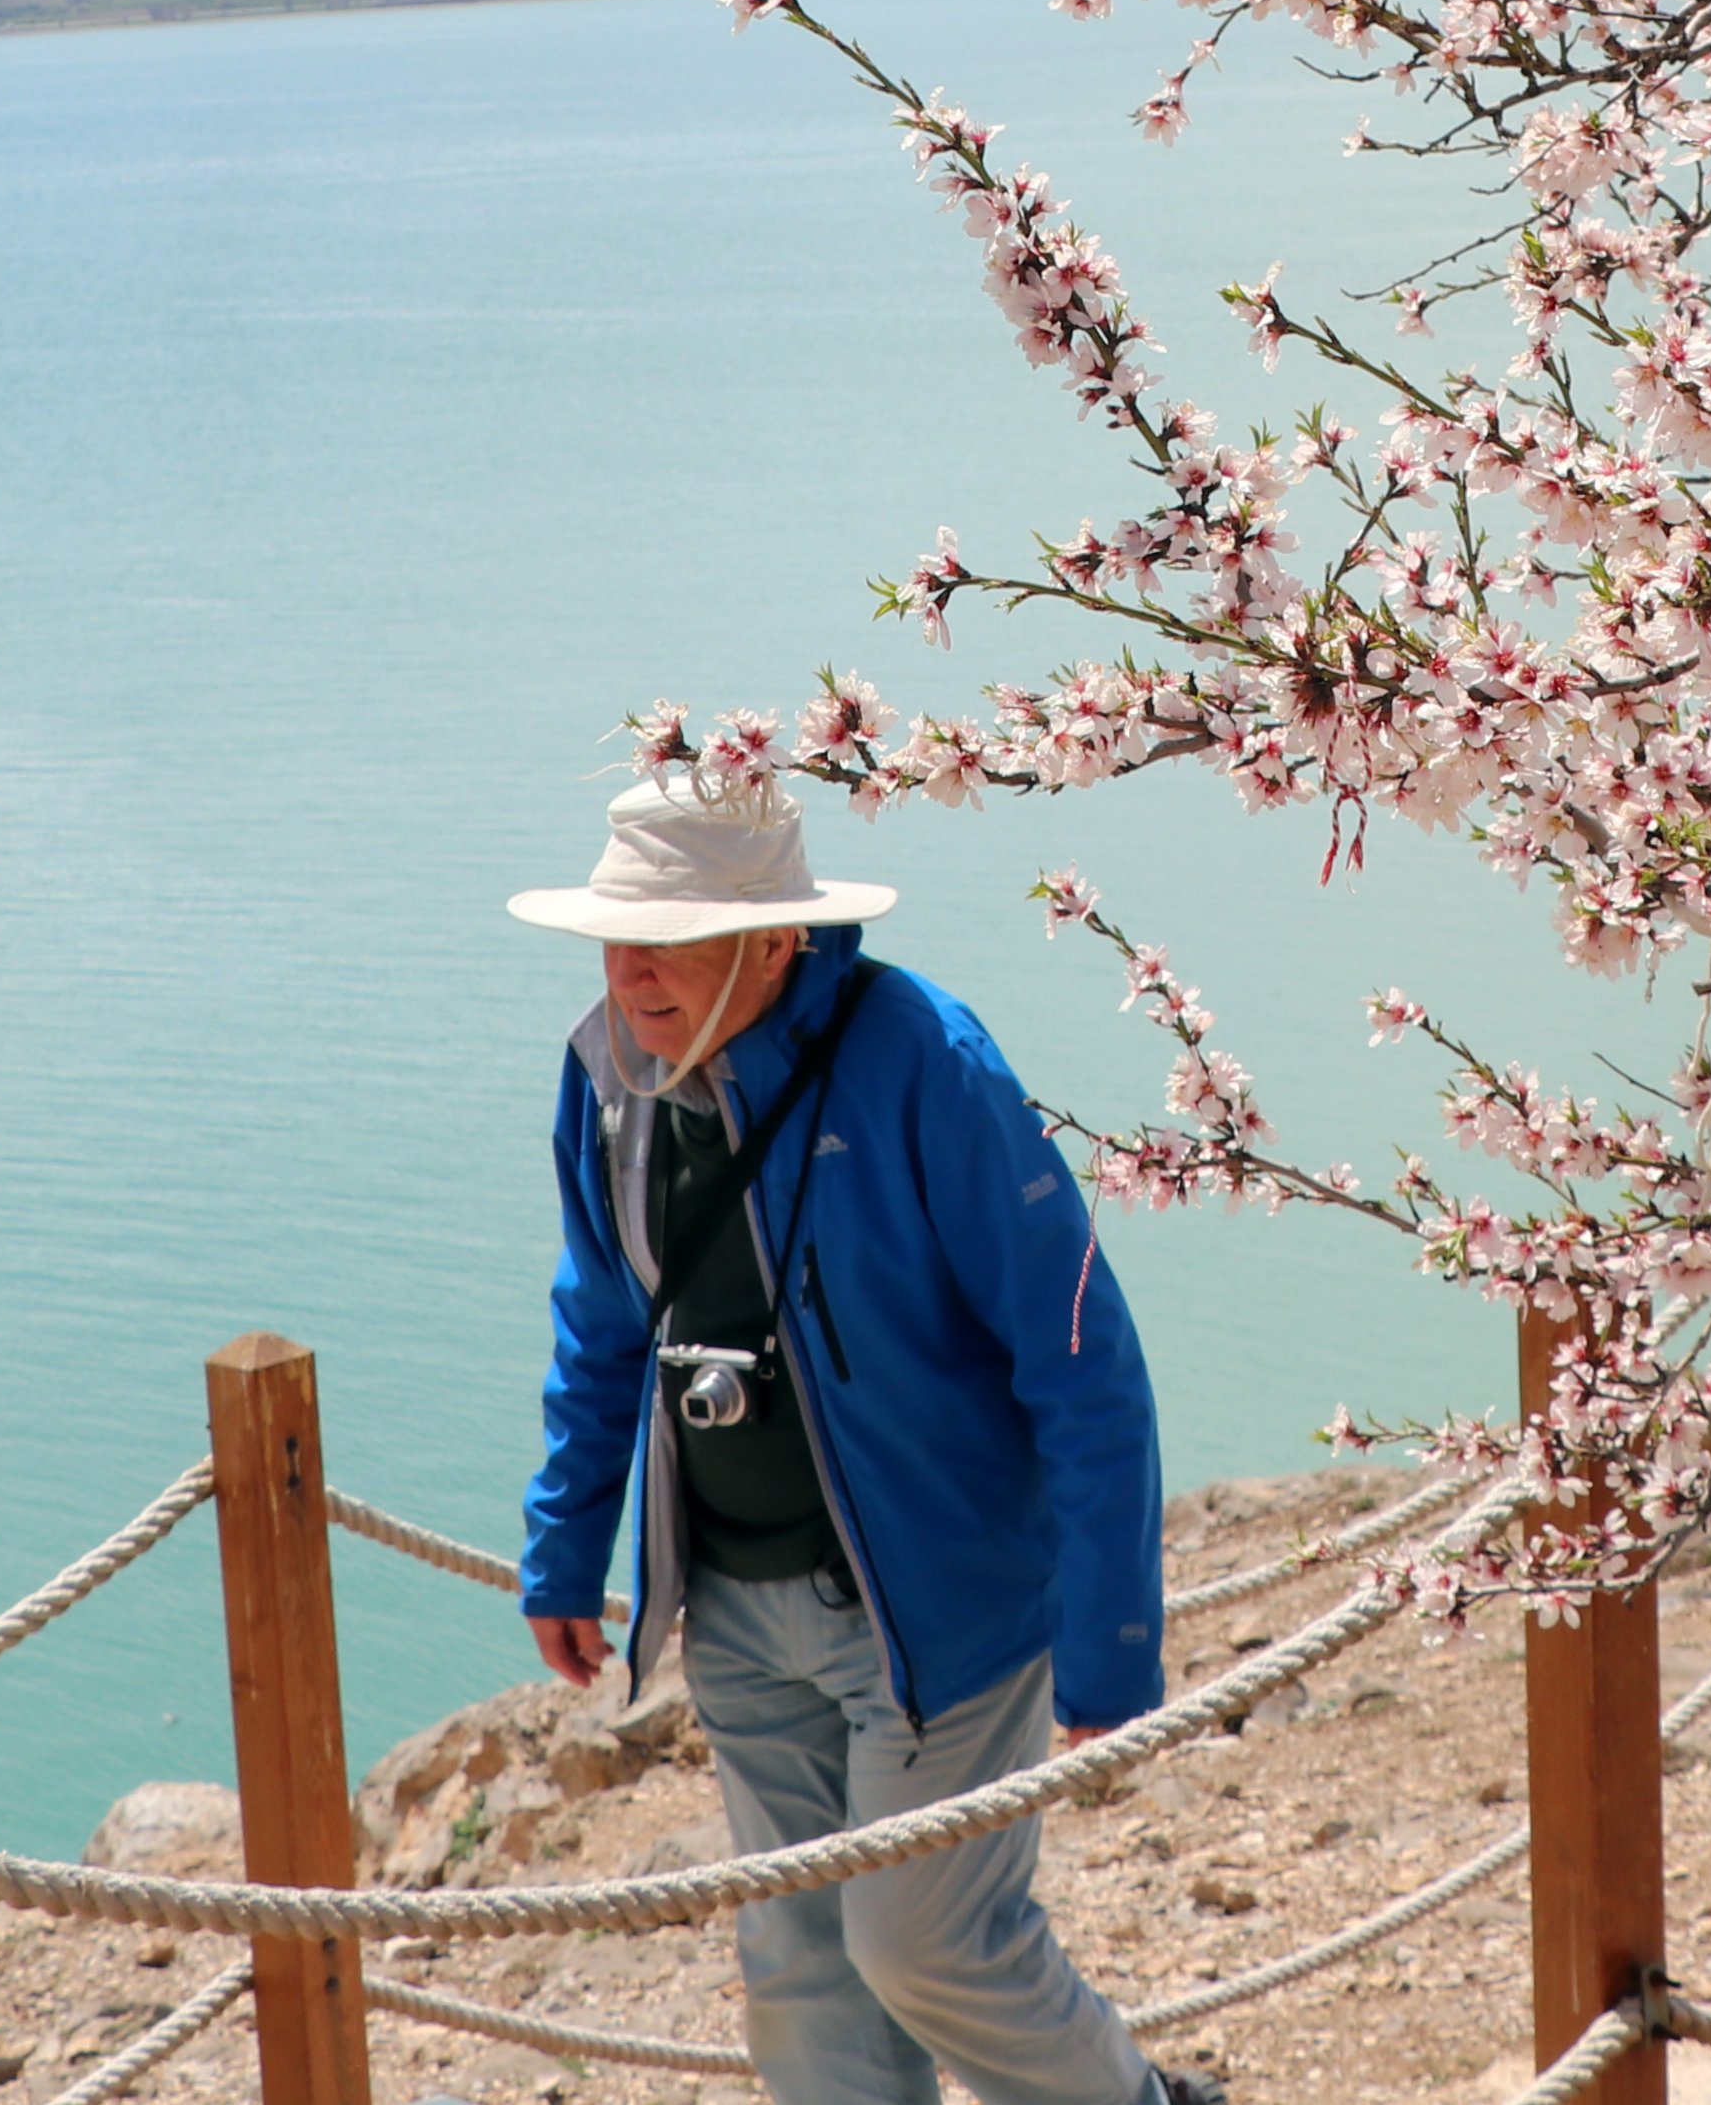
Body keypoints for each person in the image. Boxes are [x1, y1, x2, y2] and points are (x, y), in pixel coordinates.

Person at [508, 767, 1220, 2105]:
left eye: (672, 935)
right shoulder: (604, 1079)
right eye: (619, 934)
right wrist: (563, 1545)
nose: (634, 971)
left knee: (928, 1944)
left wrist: (1112, 1654)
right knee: (802, 1969)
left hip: (939, 1608)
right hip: (732, 1599)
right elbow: (600, 1314)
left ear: (779, 935)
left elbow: (1085, 1365)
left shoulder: (923, 1064)